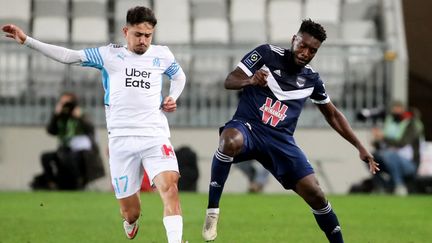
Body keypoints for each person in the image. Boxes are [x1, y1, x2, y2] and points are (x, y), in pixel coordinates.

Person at [2, 6, 186, 243]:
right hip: (121, 141)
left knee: (170, 188)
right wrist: (27, 41)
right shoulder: (108, 55)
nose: (143, 41)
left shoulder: (163, 54)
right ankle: (130, 222)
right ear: (125, 31)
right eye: (138, 35)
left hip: (155, 136)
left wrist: (173, 96)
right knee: (131, 212)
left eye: (148, 36)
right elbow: (69, 56)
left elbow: (179, 76)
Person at [201, 19, 379, 243]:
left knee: (316, 193)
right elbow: (230, 80)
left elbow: (332, 114)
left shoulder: (312, 79)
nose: (305, 53)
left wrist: (360, 146)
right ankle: (212, 212)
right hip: (249, 127)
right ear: (294, 39)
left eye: (312, 50)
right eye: (302, 45)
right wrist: (250, 80)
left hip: (280, 140)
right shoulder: (266, 53)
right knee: (229, 141)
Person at [31, 92, 104, 190]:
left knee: (70, 158)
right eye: (62, 103)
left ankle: (79, 183)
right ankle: (51, 183)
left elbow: (90, 129)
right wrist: (56, 115)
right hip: (63, 150)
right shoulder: (60, 116)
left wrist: (80, 117)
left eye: (68, 103)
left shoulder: (81, 114)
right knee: (46, 157)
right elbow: (51, 131)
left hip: (81, 152)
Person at [371, 101, 424, 195]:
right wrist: (376, 140)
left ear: (404, 109)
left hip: (410, 163)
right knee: (370, 157)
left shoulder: (412, 124)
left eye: (398, 108)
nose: (396, 111)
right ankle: (382, 187)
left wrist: (383, 137)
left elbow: (402, 143)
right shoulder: (390, 122)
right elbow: (384, 146)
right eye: (394, 108)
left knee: (391, 155)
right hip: (390, 159)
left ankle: (399, 186)